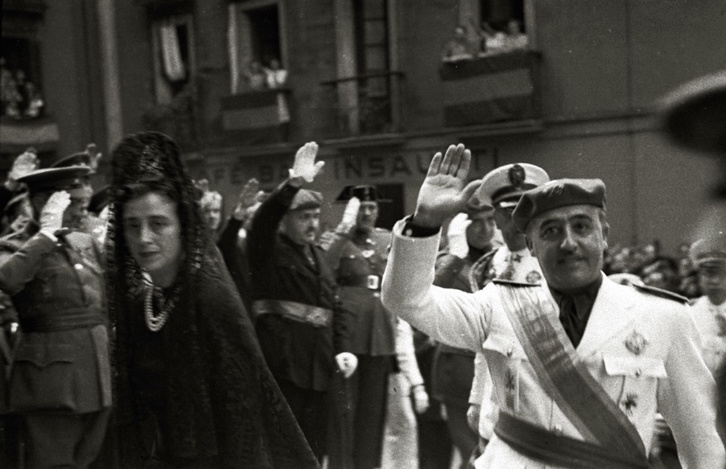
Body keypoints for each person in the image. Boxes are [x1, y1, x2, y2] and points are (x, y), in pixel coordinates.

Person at [381, 143, 725, 468]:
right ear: (530, 245)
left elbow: (700, 441)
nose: (569, 242)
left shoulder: (664, 317)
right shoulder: (497, 305)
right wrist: (425, 222)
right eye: (550, 231)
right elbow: (407, 300)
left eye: (581, 227)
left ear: (603, 234)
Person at [106, 131, 317, 468]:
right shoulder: (142, 304)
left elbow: (243, 427)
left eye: (158, 224)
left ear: (183, 226)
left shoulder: (209, 300)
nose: (143, 238)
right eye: (133, 225)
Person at [247, 141, 357, 463]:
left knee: (315, 449)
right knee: (283, 451)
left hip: (319, 367)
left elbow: (333, 308)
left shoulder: (319, 258)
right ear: (286, 220)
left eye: (315, 216)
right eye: (303, 217)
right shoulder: (267, 251)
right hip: (284, 365)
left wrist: (343, 347)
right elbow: (262, 223)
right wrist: (293, 184)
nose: (311, 224)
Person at [0, 164, 111, 469]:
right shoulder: (15, 245)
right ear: (41, 204)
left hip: (98, 374)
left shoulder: (82, 243)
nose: (80, 213)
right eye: (72, 204)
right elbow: (8, 278)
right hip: (51, 383)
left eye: (82, 204)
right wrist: (46, 234)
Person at [464, 163, 548, 465]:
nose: (515, 222)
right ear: (496, 217)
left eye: (523, 212)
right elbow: (483, 343)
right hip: (494, 403)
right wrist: (476, 398)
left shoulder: (555, 262)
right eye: (507, 213)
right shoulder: (487, 266)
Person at [321, 184, 398, 469]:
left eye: (372, 207)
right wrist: (344, 228)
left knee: (372, 415)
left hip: (379, 336)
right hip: (348, 336)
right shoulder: (335, 239)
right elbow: (322, 268)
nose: (367, 213)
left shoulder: (386, 238)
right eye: (361, 207)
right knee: (345, 415)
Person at [428, 202, 499, 469]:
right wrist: (456, 255)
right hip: (459, 369)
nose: (486, 229)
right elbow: (428, 293)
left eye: (490, 220)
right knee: (472, 449)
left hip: (496, 365)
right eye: (476, 222)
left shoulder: (500, 258)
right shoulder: (450, 260)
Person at [380, 317, 429, 469]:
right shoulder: (395, 311)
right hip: (393, 376)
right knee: (404, 428)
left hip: (385, 375)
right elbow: (404, 353)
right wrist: (418, 386)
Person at [689, 226, 726, 376]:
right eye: (708, 275)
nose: (714, 281)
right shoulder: (689, 313)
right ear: (699, 278)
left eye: (721, 275)